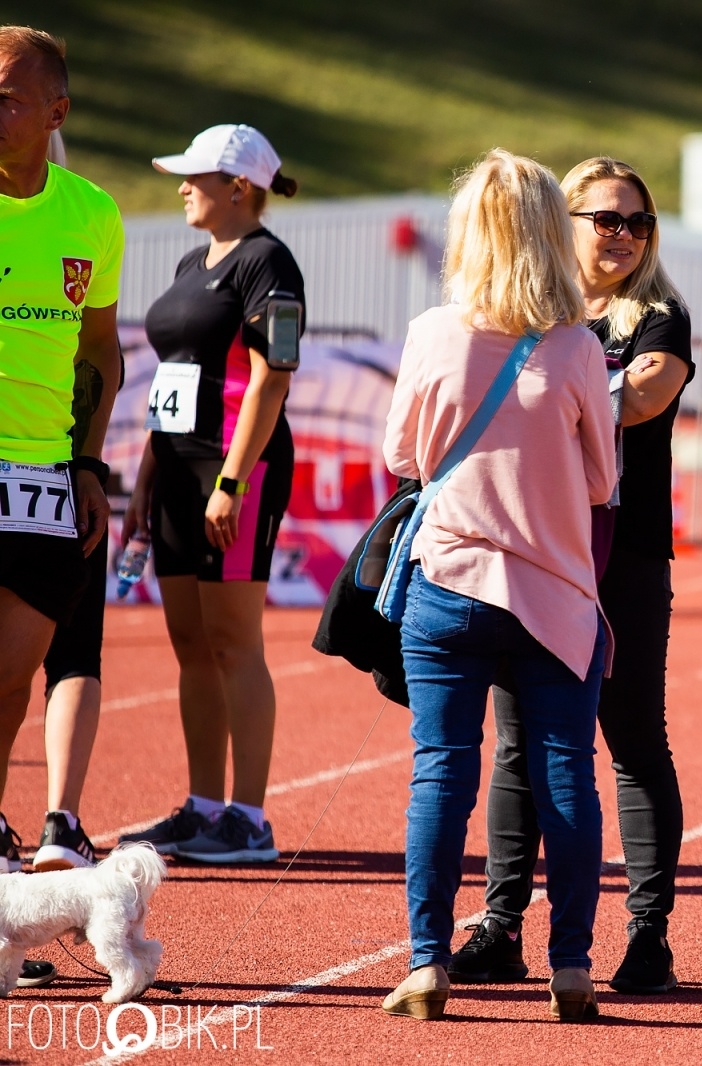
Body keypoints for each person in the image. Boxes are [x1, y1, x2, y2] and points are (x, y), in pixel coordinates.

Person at [378, 149, 616, 1023]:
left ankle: (426, 963)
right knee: (566, 774)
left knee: (441, 772)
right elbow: (602, 480)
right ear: (553, 233)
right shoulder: (577, 346)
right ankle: (572, 967)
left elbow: (402, 456)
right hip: (554, 593)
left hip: (447, 582)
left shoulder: (430, 332)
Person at [450, 157, 694, 995]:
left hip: (625, 558)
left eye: (639, 222)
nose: (624, 235)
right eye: (607, 219)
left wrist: (560, 388)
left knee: (632, 738)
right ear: (566, 223)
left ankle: (648, 935)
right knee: (519, 742)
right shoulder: (532, 313)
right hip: (538, 550)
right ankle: (501, 926)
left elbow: (644, 399)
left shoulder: (658, 317)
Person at [117, 124, 303, 864]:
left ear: (239, 186)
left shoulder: (268, 262)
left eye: (195, 176)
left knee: (233, 641)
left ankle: (248, 820)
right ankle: (202, 807)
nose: (182, 187)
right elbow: (174, 380)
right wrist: (145, 479)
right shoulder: (193, 261)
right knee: (191, 645)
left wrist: (231, 479)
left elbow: (271, 379)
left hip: (234, 470)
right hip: (175, 471)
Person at [0, 25, 124, 985]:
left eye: (7, 95)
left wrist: (86, 462)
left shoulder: (92, 214)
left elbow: (99, 351)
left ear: (56, 112)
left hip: (44, 474)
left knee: (11, 685)